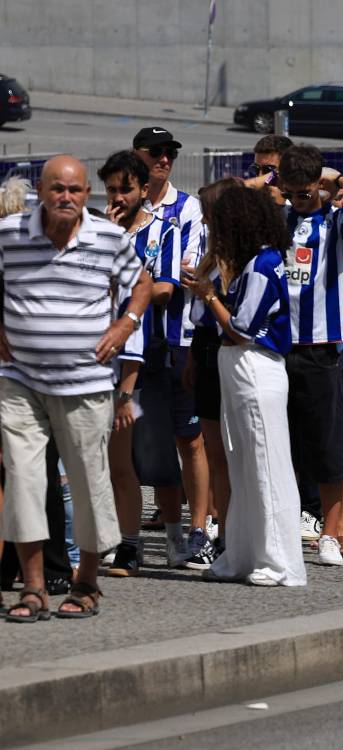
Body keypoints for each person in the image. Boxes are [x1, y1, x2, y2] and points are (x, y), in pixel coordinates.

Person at [1, 156, 148, 621]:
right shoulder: (9, 235)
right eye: (58, 189)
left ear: (88, 195)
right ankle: (34, 587)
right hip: (19, 380)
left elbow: (141, 284)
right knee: (24, 481)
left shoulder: (108, 237)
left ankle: (86, 581)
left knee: (87, 481)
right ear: (41, 192)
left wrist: (126, 324)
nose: (66, 197)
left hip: (85, 383)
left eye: (76, 190)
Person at [187, 186, 304, 587]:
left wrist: (209, 295)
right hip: (238, 369)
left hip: (255, 368)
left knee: (265, 466)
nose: (210, 227)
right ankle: (240, 555)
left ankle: (276, 561)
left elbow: (241, 328)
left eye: (216, 222)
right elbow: (207, 318)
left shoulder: (262, 264)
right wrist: (209, 281)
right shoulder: (243, 265)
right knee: (242, 467)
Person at [274, 144, 343, 563]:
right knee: (284, 445)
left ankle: (335, 532)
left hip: (320, 351)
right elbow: (226, 197)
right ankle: (286, 524)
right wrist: (272, 184)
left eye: (305, 193)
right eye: (291, 193)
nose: (298, 201)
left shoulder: (335, 223)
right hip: (278, 349)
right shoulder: (276, 219)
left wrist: (332, 178)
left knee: (332, 446)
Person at [132, 126, 213, 569]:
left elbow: (189, 271)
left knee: (191, 439)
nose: (164, 159)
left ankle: (198, 529)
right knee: (144, 441)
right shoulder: (123, 206)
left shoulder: (188, 207)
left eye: (170, 153)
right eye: (156, 152)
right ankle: (160, 530)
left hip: (179, 338)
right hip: (135, 342)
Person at [96, 152, 162, 576]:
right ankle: (96, 540)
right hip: (90, 364)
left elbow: (148, 299)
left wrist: (126, 391)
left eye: (126, 189)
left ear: (142, 189)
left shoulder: (159, 233)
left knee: (123, 463)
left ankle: (130, 545)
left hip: (134, 368)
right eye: (112, 190)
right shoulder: (97, 233)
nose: (118, 197)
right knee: (91, 464)